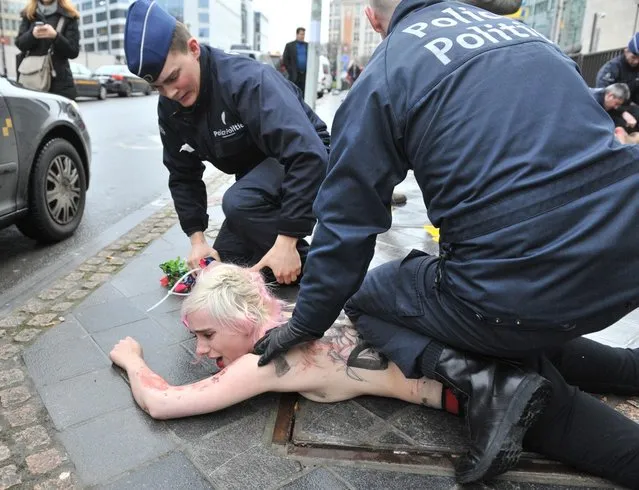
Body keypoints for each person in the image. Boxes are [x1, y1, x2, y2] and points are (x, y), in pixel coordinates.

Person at [252, 0, 639, 487]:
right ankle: (625, 369)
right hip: (626, 256)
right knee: (525, 313)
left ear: (375, 20)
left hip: (517, 288)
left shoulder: (387, 72)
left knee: (370, 298)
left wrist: (306, 322)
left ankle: (497, 388)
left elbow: (347, 226)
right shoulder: (530, 39)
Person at [110, 263, 639, 489]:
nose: (201, 352)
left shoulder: (267, 361)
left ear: (244, 322)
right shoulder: (307, 309)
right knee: (624, 367)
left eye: (206, 336)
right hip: (500, 336)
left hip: (507, 392)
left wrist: (132, 359)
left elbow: (164, 404)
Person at [123, 1, 330, 285]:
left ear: (193, 49)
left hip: (307, 157)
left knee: (240, 203)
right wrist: (197, 241)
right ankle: (284, 264)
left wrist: (287, 239)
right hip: (257, 176)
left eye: (173, 77)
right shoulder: (170, 107)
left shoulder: (247, 81)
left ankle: (321, 275)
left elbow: (306, 154)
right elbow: (182, 174)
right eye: (158, 87)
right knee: (225, 263)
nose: (170, 92)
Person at [15, 0, 80, 99]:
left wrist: (55, 36)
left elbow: (73, 51)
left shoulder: (69, 15)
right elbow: (20, 44)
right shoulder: (28, 14)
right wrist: (32, 35)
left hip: (59, 84)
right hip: (31, 81)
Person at [596, 33, 639, 106]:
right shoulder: (611, 68)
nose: (636, 61)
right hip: (614, 106)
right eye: (633, 57)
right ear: (626, 51)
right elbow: (603, 95)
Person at [283, 28, 308, 97]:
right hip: (294, 75)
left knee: (303, 95)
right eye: (301, 34)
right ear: (297, 34)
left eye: (304, 34)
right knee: (294, 94)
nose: (302, 36)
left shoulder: (307, 46)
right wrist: (290, 70)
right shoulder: (290, 46)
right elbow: (285, 60)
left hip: (304, 75)